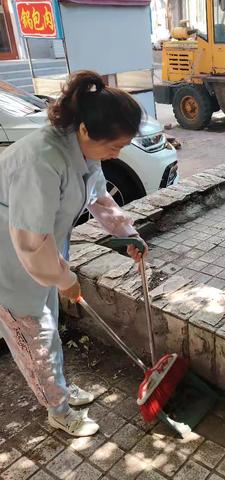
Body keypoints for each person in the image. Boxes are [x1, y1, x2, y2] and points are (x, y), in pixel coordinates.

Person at [0, 71, 147, 437]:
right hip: (10, 261)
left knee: (48, 328)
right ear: (85, 130)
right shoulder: (41, 161)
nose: (117, 154)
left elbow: (98, 196)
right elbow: (31, 243)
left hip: (41, 256)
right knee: (35, 336)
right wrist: (65, 279)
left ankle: (57, 390)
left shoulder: (81, 147)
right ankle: (58, 409)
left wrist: (126, 232)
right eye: (114, 147)